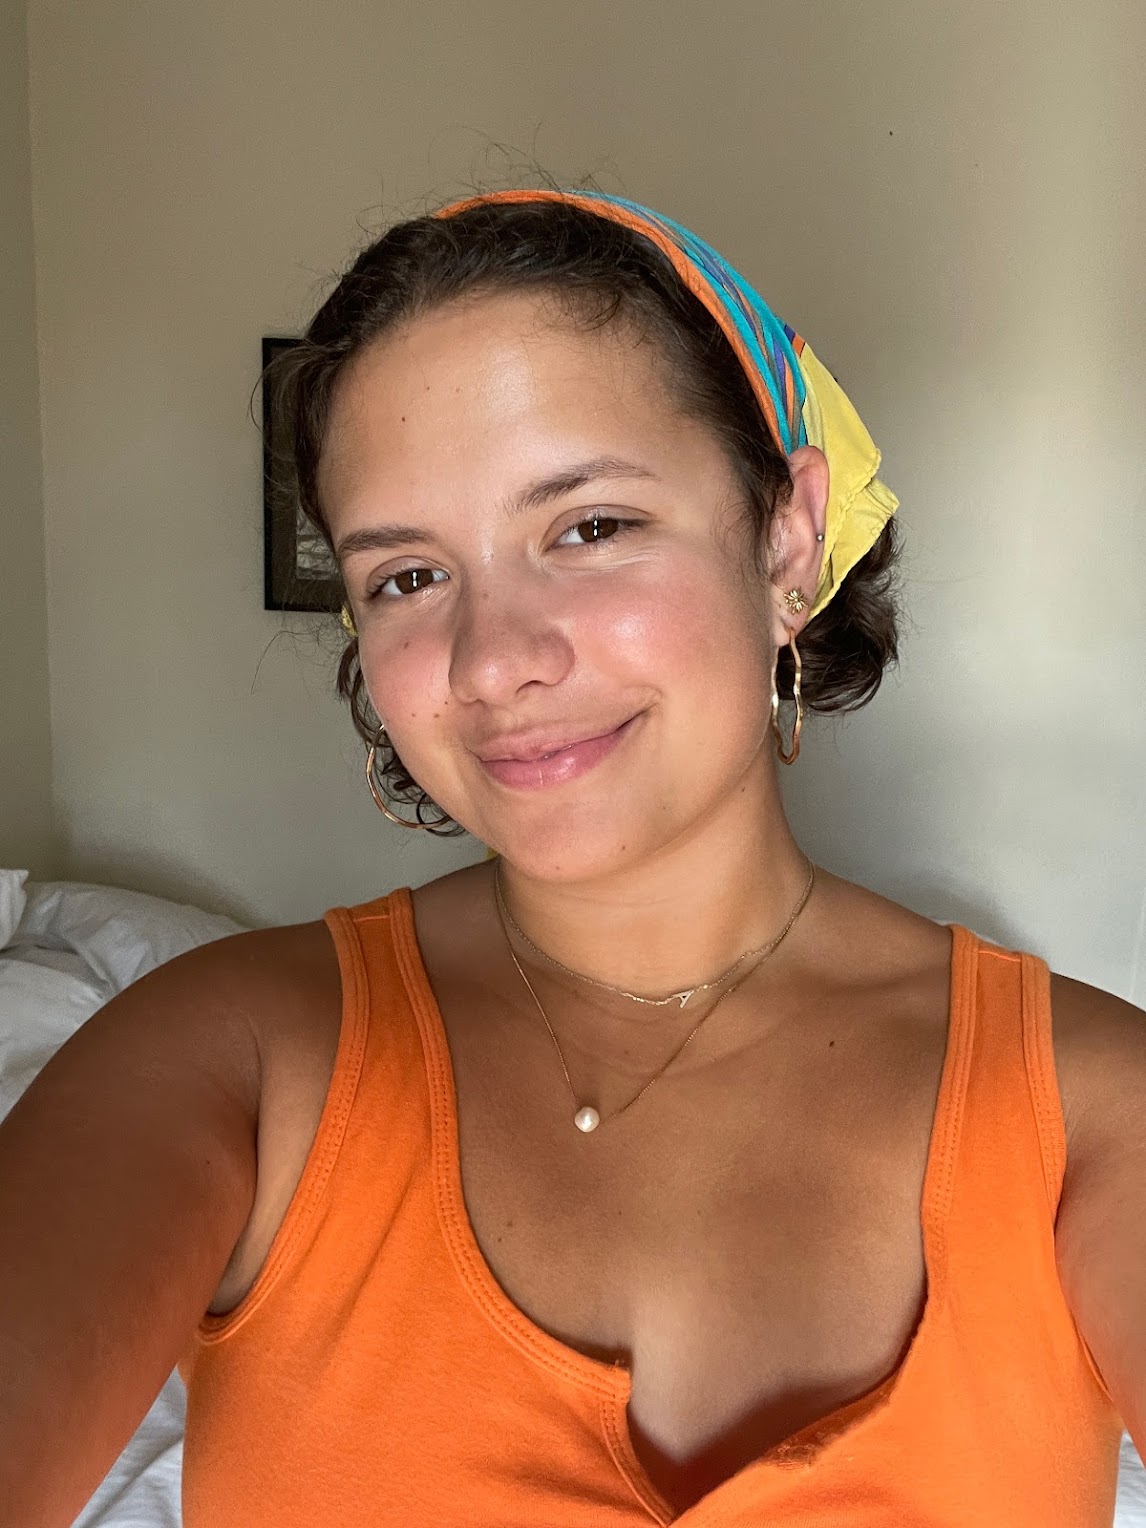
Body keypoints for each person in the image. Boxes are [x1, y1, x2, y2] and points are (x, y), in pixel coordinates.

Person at [1, 188, 1143, 1527]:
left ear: (785, 536)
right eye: (406, 577)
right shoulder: (224, 1059)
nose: (491, 661)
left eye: (589, 526)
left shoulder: (1085, 1110)